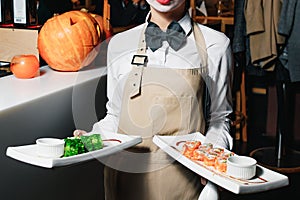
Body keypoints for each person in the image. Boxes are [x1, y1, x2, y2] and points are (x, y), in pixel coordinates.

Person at [74, 0, 233, 199]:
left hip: (184, 186)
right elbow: (115, 115)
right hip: (125, 181)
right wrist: (92, 138)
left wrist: (211, 168)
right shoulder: (119, 44)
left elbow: (219, 119)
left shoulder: (216, 45)